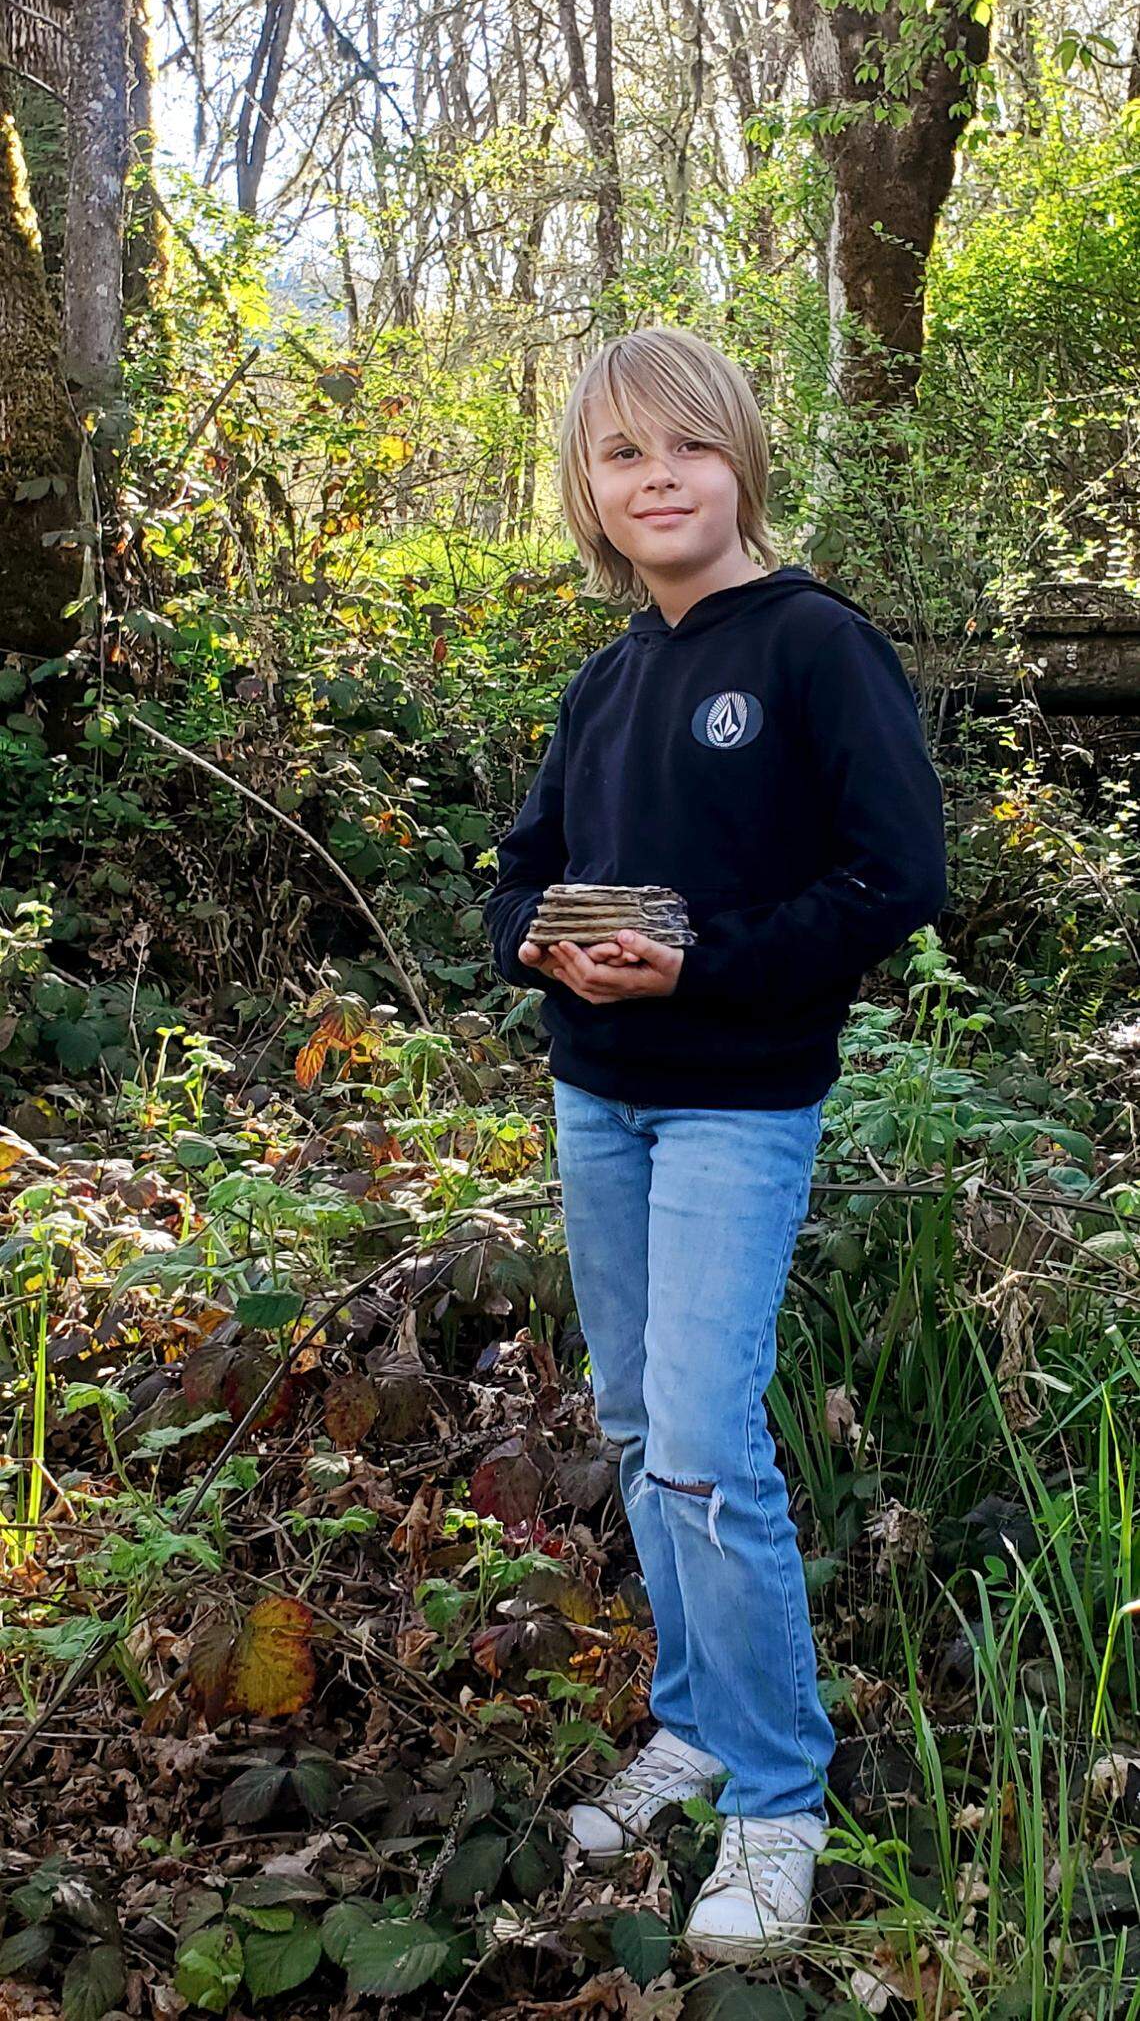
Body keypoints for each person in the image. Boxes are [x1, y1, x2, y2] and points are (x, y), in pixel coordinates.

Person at [483, 325, 947, 1962]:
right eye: (621, 456)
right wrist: (533, 936)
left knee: (702, 1442)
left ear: (740, 457)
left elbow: (898, 875)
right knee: (631, 1419)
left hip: (738, 1100)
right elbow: (520, 865)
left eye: (686, 445)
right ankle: (690, 1718)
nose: (655, 477)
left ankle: (776, 1793)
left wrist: (711, 963)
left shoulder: (816, 646)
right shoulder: (607, 676)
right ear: (589, 494)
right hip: (594, 1091)